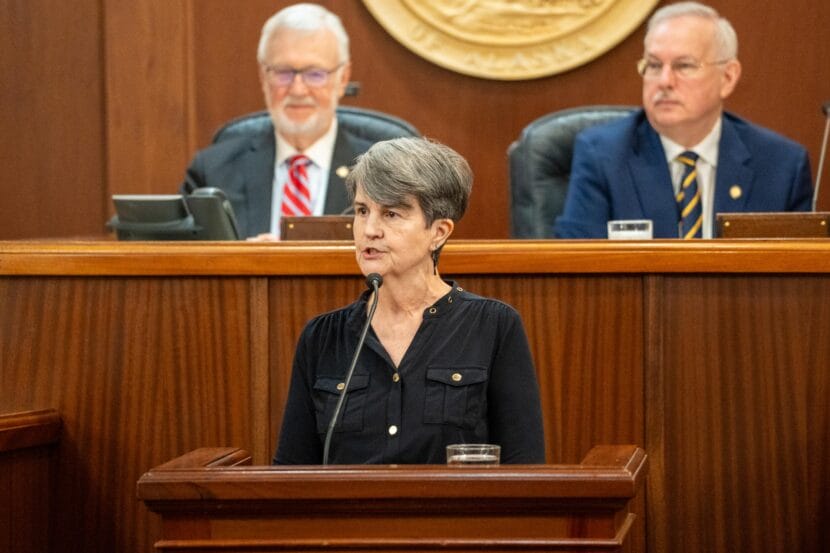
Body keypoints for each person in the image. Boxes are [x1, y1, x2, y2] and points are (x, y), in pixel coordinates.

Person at [273, 137, 546, 464]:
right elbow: (292, 473)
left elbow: (524, 468)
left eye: (391, 214)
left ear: (439, 232)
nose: (369, 230)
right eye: (362, 211)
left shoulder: (494, 327)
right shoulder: (322, 337)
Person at [554, 1, 813, 239]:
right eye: (654, 65)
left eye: (684, 66)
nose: (665, 81)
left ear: (728, 77)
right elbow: (577, 274)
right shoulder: (604, 156)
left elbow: (797, 283)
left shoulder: (781, 167)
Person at [181, 4, 367, 239]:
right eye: (283, 72)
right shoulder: (212, 172)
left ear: (343, 78)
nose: (298, 89)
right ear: (263, 76)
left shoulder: (380, 173)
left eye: (315, 74)